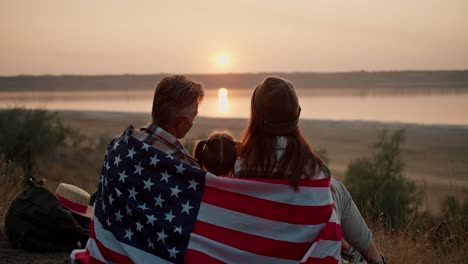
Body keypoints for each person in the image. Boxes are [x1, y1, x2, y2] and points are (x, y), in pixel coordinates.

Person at [235, 76, 387, 264]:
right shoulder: (314, 171)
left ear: (255, 115)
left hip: (263, 253)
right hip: (310, 254)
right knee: (336, 189)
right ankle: (376, 259)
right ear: (296, 116)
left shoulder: (240, 167)